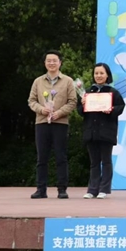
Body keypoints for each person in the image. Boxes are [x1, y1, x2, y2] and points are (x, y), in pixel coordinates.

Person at [27, 50, 77, 199]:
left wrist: (59, 113)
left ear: (60, 63)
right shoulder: (38, 81)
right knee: (41, 158)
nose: (51, 63)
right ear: (45, 63)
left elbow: (72, 101)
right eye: (49, 61)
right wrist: (41, 109)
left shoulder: (68, 81)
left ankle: (62, 189)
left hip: (60, 122)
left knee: (61, 156)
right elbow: (31, 101)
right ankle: (41, 189)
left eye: (54, 60)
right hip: (42, 122)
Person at [77, 63, 125, 199]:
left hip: (106, 132)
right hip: (91, 132)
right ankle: (92, 189)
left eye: (101, 73)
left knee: (106, 161)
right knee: (94, 162)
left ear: (107, 75)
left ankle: (104, 189)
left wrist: (111, 110)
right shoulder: (87, 92)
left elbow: (120, 107)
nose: (99, 76)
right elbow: (80, 111)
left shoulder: (113, 92)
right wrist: (83, 104)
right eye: (96, 73)